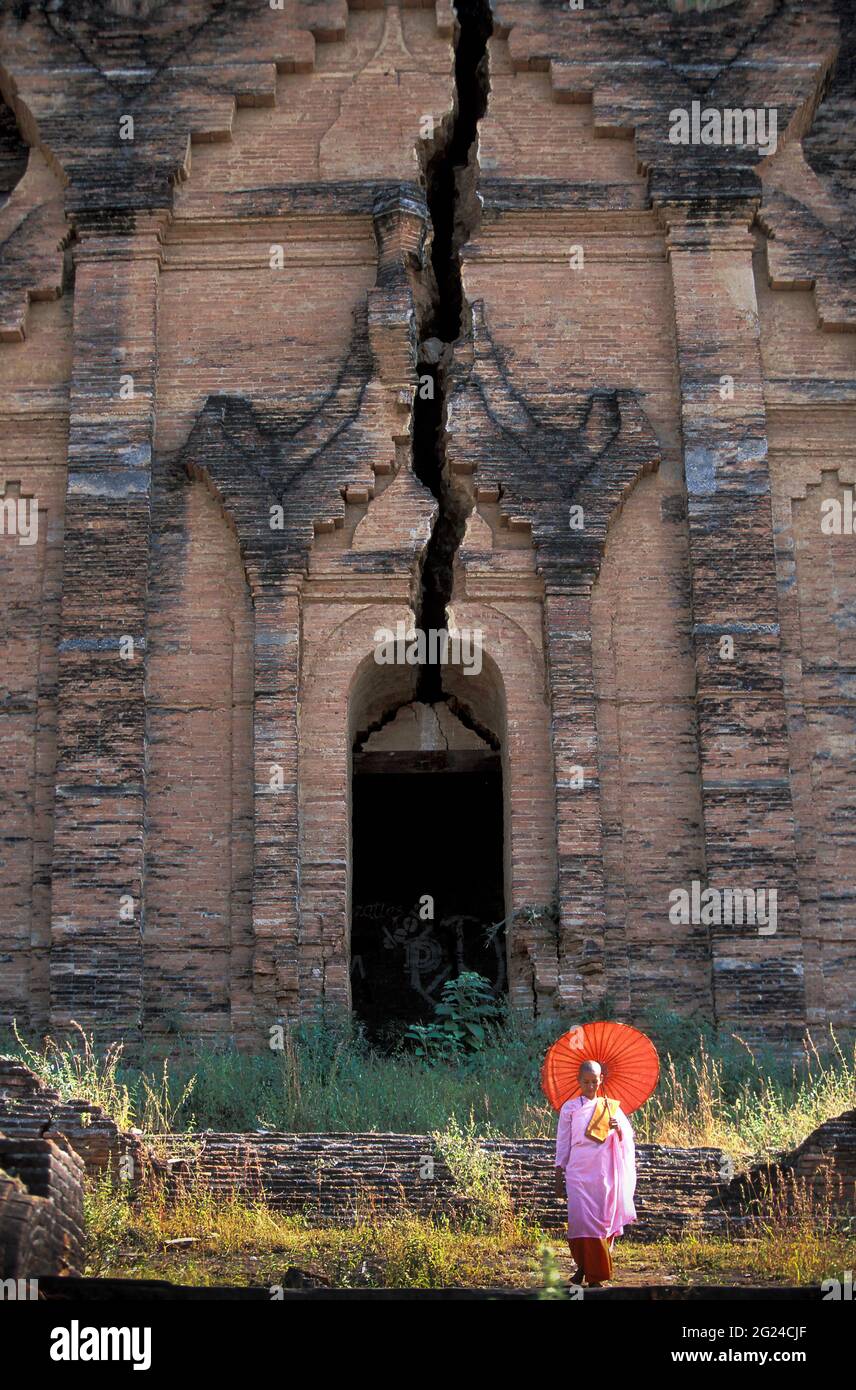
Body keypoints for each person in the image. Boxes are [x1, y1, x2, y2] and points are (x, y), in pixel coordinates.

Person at [554, 1058, 637, 1286]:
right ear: (579, 1081)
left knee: (601, 1222)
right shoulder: (570, 1109)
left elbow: (627, 1140)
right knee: (580, 1220)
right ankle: (584, 1266)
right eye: (586, 1082)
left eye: (594, 1081)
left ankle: (593, 1274)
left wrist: (618, 1129)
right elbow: (563, 1142)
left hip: (603, 1173)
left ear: (601, 1080)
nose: (591, 1086)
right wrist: (559, 1174)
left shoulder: (611, 1108)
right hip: (578, 1173)